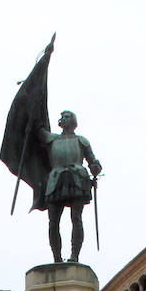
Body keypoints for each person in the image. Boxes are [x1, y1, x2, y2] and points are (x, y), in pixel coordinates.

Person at [39, 110, 101, 263]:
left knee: (76, 218)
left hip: (77, 178)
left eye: (67, 117)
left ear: (73, 121)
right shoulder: (51, 139)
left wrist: (95, 167)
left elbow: (93, 161)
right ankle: (57, 257)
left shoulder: (81, 141)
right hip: (56, 179)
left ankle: (74, 255)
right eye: (62, 117)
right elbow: (36, 128)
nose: (63, 119)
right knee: (53, 221)